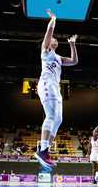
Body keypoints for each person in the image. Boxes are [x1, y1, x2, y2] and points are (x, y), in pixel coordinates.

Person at [34, 9, 78, 168]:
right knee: (51, 116)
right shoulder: (45, 51)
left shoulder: (58, 58)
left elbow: (74, 61)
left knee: (59, 119)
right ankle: (42, 151)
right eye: (52, 38)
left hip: (55, 88)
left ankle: (46, 151)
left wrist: (72, 45)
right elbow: (50, 30)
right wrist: (53, 18)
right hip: (46, 84)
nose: (54, 39)